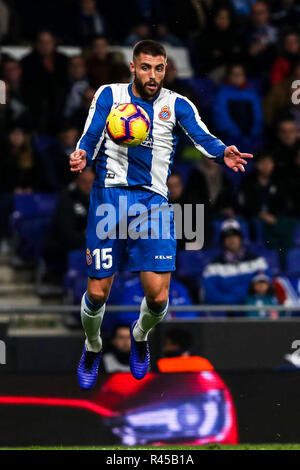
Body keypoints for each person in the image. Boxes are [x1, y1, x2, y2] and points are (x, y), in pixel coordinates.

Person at [70, 40, 253, 389]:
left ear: (165, 69)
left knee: (157, 297)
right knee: (97, 293)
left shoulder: (177, 104)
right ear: (133, 68)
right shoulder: (110, 95)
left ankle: (140, 337)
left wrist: (221, 152)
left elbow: (202, 136)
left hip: (153, 204)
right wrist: (81, 153)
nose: (152, 75)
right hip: (110, 198)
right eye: (145, 67)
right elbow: (91, 133)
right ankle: (92, 345)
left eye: (159, 68)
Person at [202, 219, 269, 315]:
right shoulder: (213, 266)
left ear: (240, 238)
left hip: (255, 310)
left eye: (235, 236)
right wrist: (234, 302)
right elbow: (211, 294)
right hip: (229, 312)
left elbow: (267, 284)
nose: (232, 239)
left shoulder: (257, 261)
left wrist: (249, 301)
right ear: (223, 241)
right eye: (227, 237)